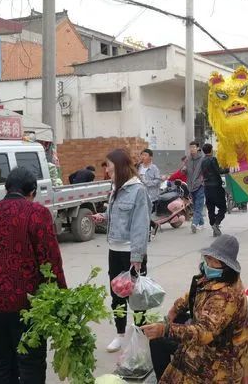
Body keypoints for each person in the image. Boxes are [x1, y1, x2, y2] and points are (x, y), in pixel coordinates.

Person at [0, 167, 67, 384]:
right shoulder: (37, 213)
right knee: (31, 362)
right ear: (32, 191)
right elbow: (50, 262)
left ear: (6, 189)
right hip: (27, 305)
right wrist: (61, 300)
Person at [142, 234, 248, 383]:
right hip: (208, 343)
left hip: (219, 360)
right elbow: (193, 294)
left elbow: (204, 333)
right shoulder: (213, 278)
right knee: (167, 332)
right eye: (208, 258)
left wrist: (165, 329)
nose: (209, 263)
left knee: (161, 339)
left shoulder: (226, 297)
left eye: (215, 261)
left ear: (227, 266)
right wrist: (175, 309)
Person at [90, 149, 150, 353]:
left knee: (136, 296)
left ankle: (141, 334)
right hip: (114, 251)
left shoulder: (138, 190)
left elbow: (140, 225)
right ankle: (120, 335)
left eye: (110, 167)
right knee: (117, 295)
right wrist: (103, 217)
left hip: (131, 254)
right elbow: (116, 215)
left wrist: (137, 257)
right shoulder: (115, 188)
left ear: (122, 167)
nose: (107, 171)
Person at [201, 143, 229, 237]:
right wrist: (227, 169)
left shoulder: (202, 161)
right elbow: (218, 171)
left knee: (211, 209)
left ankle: (213, 226)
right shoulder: (212, 159)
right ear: (211, 150)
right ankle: (216, 224)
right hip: (216, 187)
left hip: (207, 188)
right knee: (223, 208)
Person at [138, 149, 162, 237]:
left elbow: (158, 181)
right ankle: (154, 225)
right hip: (140, 195)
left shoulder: (154, 168)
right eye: (142, 155)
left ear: (150, 157)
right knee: (142, 215)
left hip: (151, 196)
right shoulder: (139, 167)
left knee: (145, 215)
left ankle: (147, 234)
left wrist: (146, 182)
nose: (143, 157)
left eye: (145, 155)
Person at [184, 141, 206, 234]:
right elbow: (185, 171)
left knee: (199, 205)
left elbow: (206, 171)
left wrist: (202, 180)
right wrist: (183, 170)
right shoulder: (188, 159)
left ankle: (194, 223)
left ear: (197, 148)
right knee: (195, 205)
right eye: (190, 147)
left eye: (193, 147)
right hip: (190, 185)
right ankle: (201, 223)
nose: (192, 149)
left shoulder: (203, 159)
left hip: (200, 185)